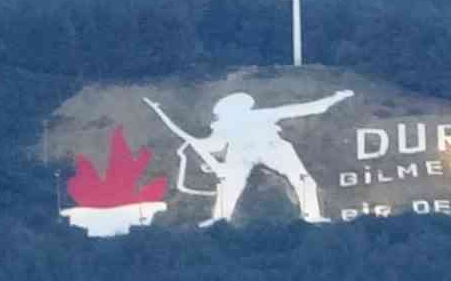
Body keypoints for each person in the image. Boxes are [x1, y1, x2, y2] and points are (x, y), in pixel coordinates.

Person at [143, 89, 353, 225]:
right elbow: (212, 145)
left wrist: (336, 98)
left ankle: (312, 215)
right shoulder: (223, 127)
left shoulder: (261, 115)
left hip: (273, 148)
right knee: (228, 185)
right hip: (242, 154)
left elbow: (308, 108)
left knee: (303, 180)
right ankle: (220, 220)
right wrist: (197, 144)